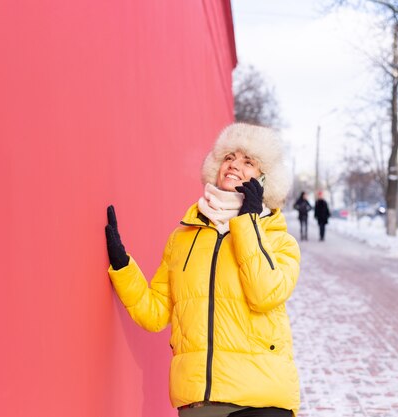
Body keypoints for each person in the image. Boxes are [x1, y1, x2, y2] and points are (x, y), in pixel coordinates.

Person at [105, 123, 301, 417]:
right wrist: (123, 268)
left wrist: (247, 221)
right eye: (229, 157)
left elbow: (265, 293)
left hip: (261, 399)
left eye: (248, 161)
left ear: (264, 179)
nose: (234, 165)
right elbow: (156, 313)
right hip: (202, 402)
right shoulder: (183, 238)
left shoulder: (280, 240)